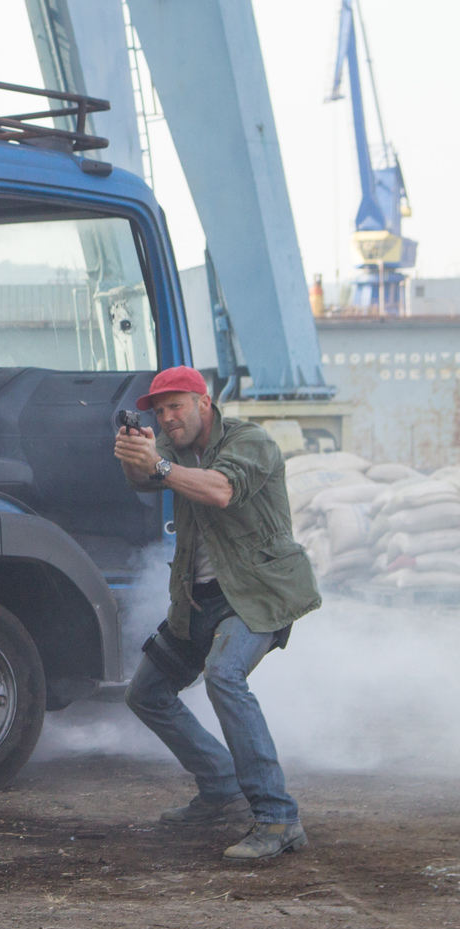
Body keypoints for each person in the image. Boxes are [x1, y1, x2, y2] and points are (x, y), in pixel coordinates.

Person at [114, 365, 321, 862]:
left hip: (257, 594)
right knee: (145, 694)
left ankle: (278, 817)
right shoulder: (174, 449)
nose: (166, 418)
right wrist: (133, 454)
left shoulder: (251, 442)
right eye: (159, 412)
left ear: (203, 403)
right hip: (198, 599)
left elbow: (221, 489)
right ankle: (220, 782)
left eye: (175, 406)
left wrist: (157, 465)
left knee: (224, 676)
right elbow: (145, 478)